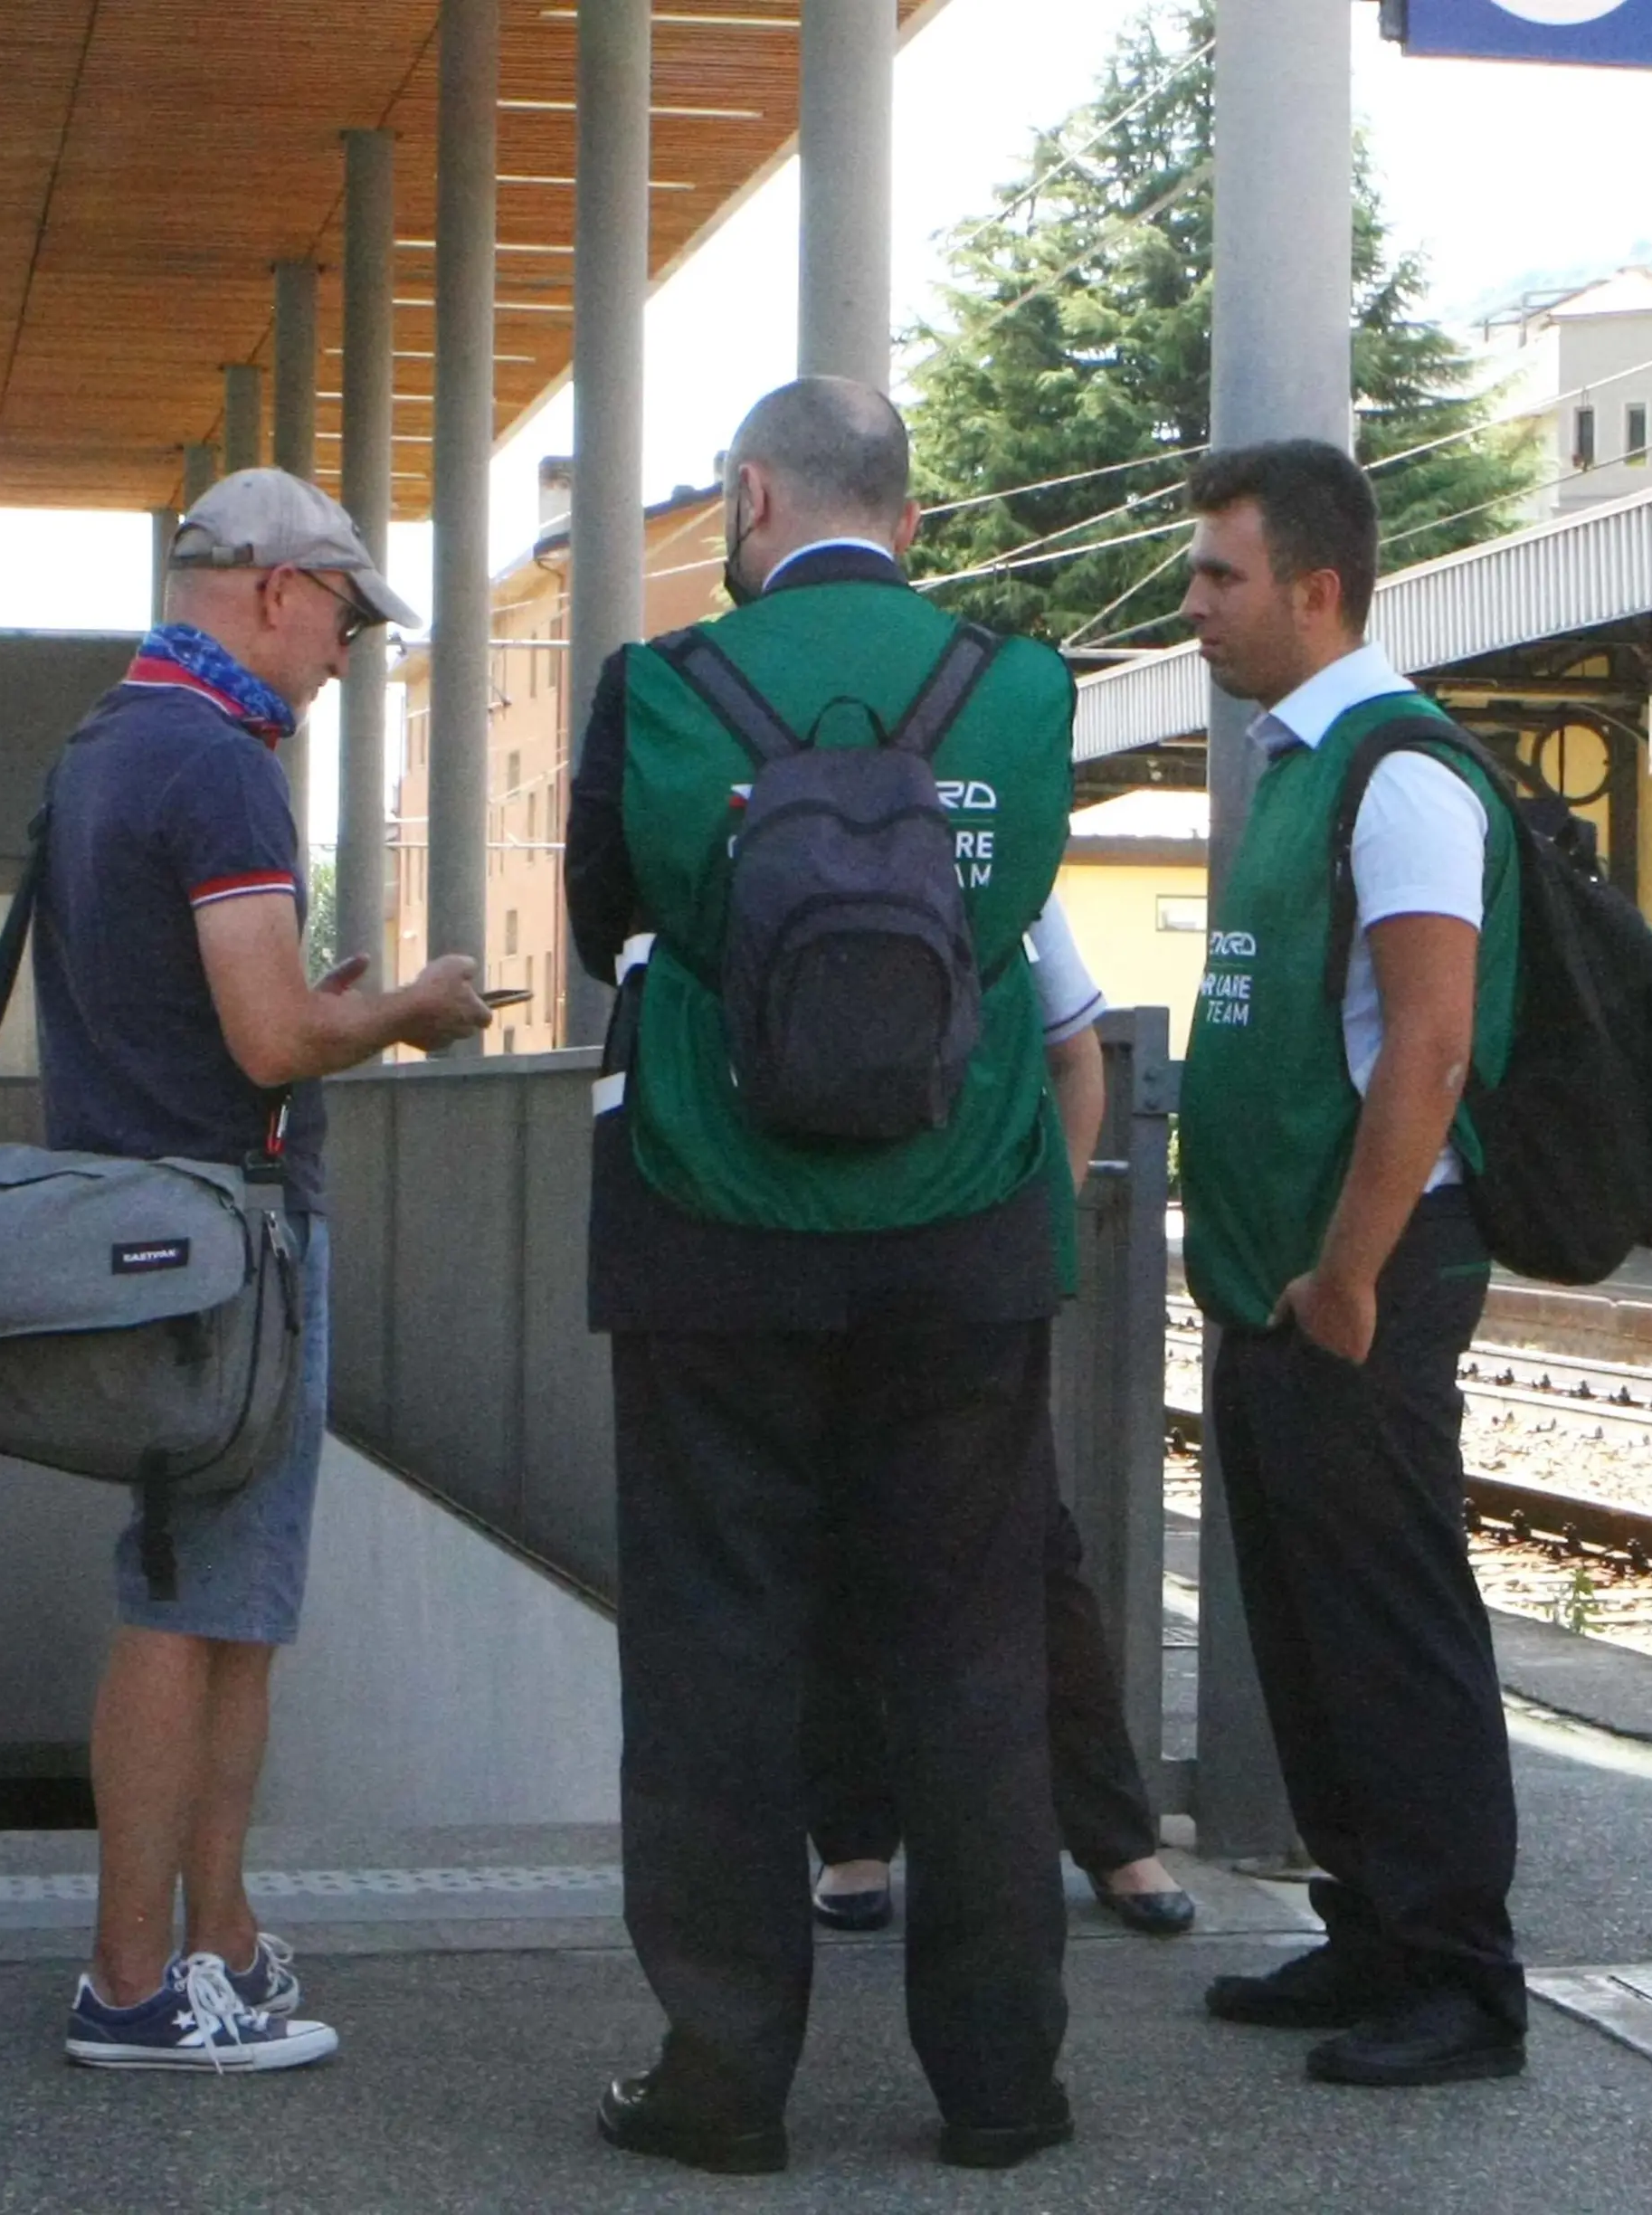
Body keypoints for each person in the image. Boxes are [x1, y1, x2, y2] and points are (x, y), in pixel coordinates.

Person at [565, 377, 1078, 2173]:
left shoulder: (653, 688)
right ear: (910, 520)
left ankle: (720, 2077)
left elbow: (593, 926)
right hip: (961, 1220)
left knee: (715, 1652)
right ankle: (1000, 2084)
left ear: (750, 496)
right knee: (968, 1651)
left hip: (712, 1226)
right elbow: (999, 920)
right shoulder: (1015, 692)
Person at [43, 468, 489, 2071]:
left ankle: (209, 1938)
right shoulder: (221, 770)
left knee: (217, 1595)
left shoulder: (105, 741)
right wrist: (400, 1010)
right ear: (278, 587)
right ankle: (133, 1981)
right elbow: (267, 1033)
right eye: (351, 615)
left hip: (145, 1220)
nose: (352, 650)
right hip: (222, 1236)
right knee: (183, 1601)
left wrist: (323, 1012)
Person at [1174, 439, 1526, 2087]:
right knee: (1312, 1624)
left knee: (1390, 1622)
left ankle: (1459, 1971)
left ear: (1318, 588)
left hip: (1360, 1277)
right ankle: (1370, 1926)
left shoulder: (1400, 773)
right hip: (1281, 1281)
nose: (1194, 607)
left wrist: (1349, 1276)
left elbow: (1432, 1042)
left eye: (1220, 576)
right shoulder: (1297, 761)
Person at [804, 908, 1199, 1942]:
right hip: (806, 1249)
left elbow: (1079, 1059)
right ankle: (854, 1836)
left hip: (965, 1266)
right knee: (839, 1531)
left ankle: (1111, 1834)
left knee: (1029, 1544)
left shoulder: (1001, 848)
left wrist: (1040, 1234)